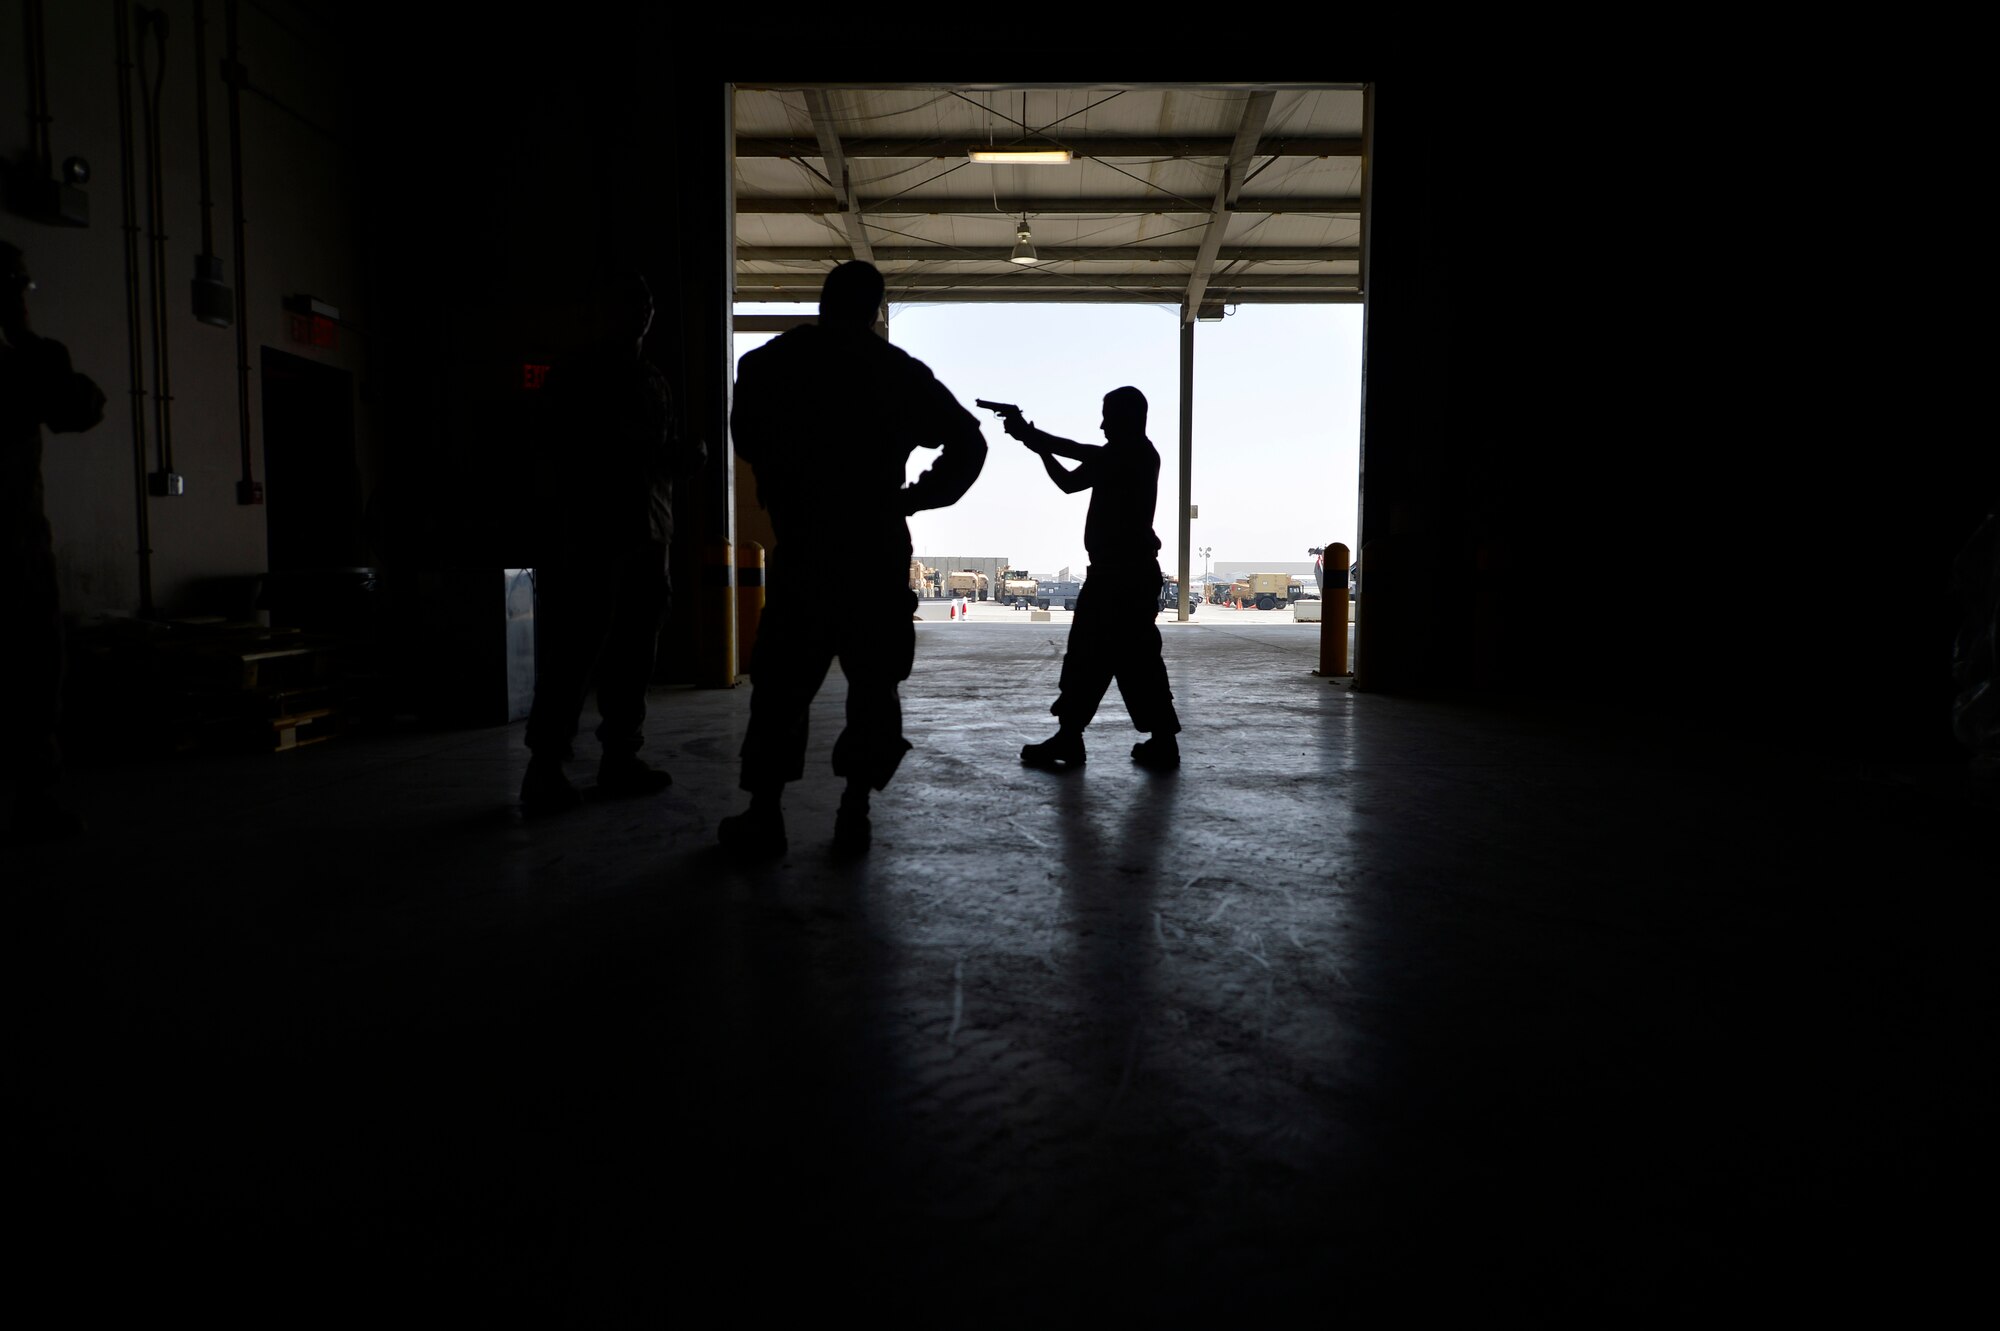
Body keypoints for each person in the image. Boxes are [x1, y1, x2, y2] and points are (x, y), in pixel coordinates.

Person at [721, 261, 986, 856]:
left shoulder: (767, 365)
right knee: (873, 685)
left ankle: (765, 816)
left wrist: (790, 485)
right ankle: (854, 811)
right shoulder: (896, 372)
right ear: (875, 311)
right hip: (874, 551)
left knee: (782, 687)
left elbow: (748, 443)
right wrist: (916, 497)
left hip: (807, 549)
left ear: (822, 301)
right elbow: (969, 440)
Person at [519, 271, 705, 815]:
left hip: (650, 530)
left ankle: (620, 757)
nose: (642, 310)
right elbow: (566, 446)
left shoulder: (652, 379)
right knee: (577, 644)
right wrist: (654, 448)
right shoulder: (576, 375)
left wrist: (678, 456)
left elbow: (653, 453)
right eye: (630, 302)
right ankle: (546, 764)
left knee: (635, 650)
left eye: (647, 301)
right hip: (594, 529)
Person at [1000, 387, 1182, 770]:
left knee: (1102, 656)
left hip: (1121, 576)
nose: (1102, 424)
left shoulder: (1130, 453)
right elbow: (1068, 481)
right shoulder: (1124, 456)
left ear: (1128, 418)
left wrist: (1030, 436)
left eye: (1108, 416)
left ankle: (1078, 737)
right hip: (1119, 574)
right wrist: (1036, 444)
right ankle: (1138, 740)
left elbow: (1074, 452)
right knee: (1124, 659)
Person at [1, 239, 107, 839]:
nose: (19, 298)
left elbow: (78, 408)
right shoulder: (25, 361)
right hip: (16, 544)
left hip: (19, 545)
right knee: (33, 666)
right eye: (14, 287)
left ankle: (36, 795)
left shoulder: (26, 361)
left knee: (36, 668)